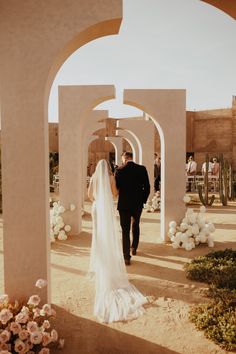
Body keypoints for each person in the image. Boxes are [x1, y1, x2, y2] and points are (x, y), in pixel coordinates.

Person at [88, 159, 147, 323]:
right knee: (108, 236)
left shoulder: (93, 178)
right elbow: (115, 194)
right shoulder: (111, 178)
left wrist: (97, 200)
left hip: (96, 209)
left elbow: (89, 195)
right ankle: (108, 264)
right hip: (106, 210)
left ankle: (97, 264)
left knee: (98, 236)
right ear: (107, 167)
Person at [115, 152, 150, 265]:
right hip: (137, 204)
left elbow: (117, 187)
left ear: (124, 158)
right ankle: (134, 247)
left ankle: (126, 257)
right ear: (131, 158)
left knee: (125, 230)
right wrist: (142, 200)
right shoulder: (141, 169)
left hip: (124, 204)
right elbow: (147, 187)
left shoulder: (119, 170)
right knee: (136, 224)